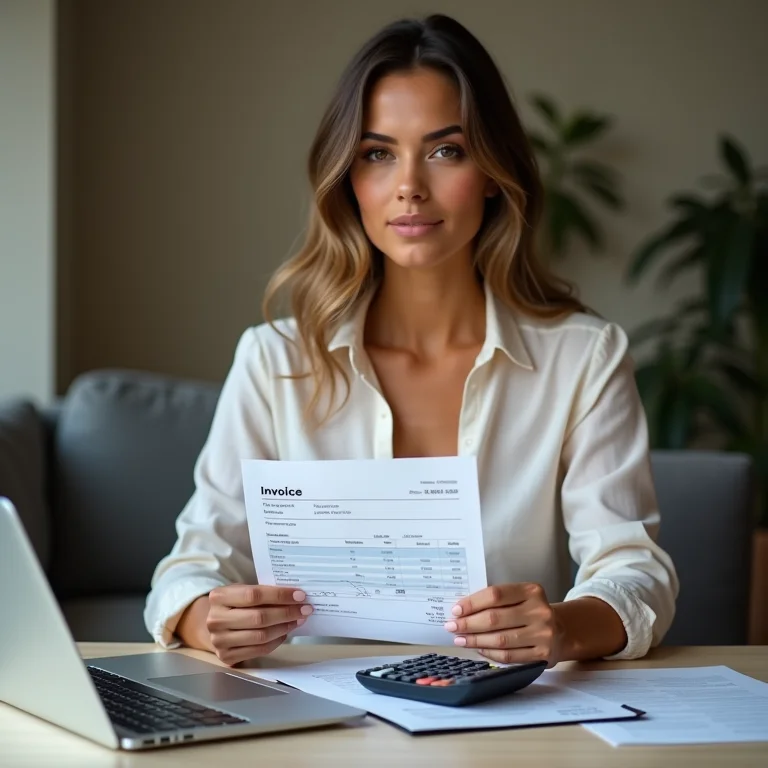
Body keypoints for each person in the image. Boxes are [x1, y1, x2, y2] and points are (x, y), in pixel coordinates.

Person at [144, 14, 678, 668]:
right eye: (377, 154)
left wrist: (562, 627)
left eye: (445, 150)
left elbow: (635, 570)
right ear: (348, 177)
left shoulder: (583, 358)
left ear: (490, 169)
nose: (409, 187)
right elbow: (191, 565)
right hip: (314, 721)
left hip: (502, 719)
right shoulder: (274, 360)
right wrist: (205, 618)